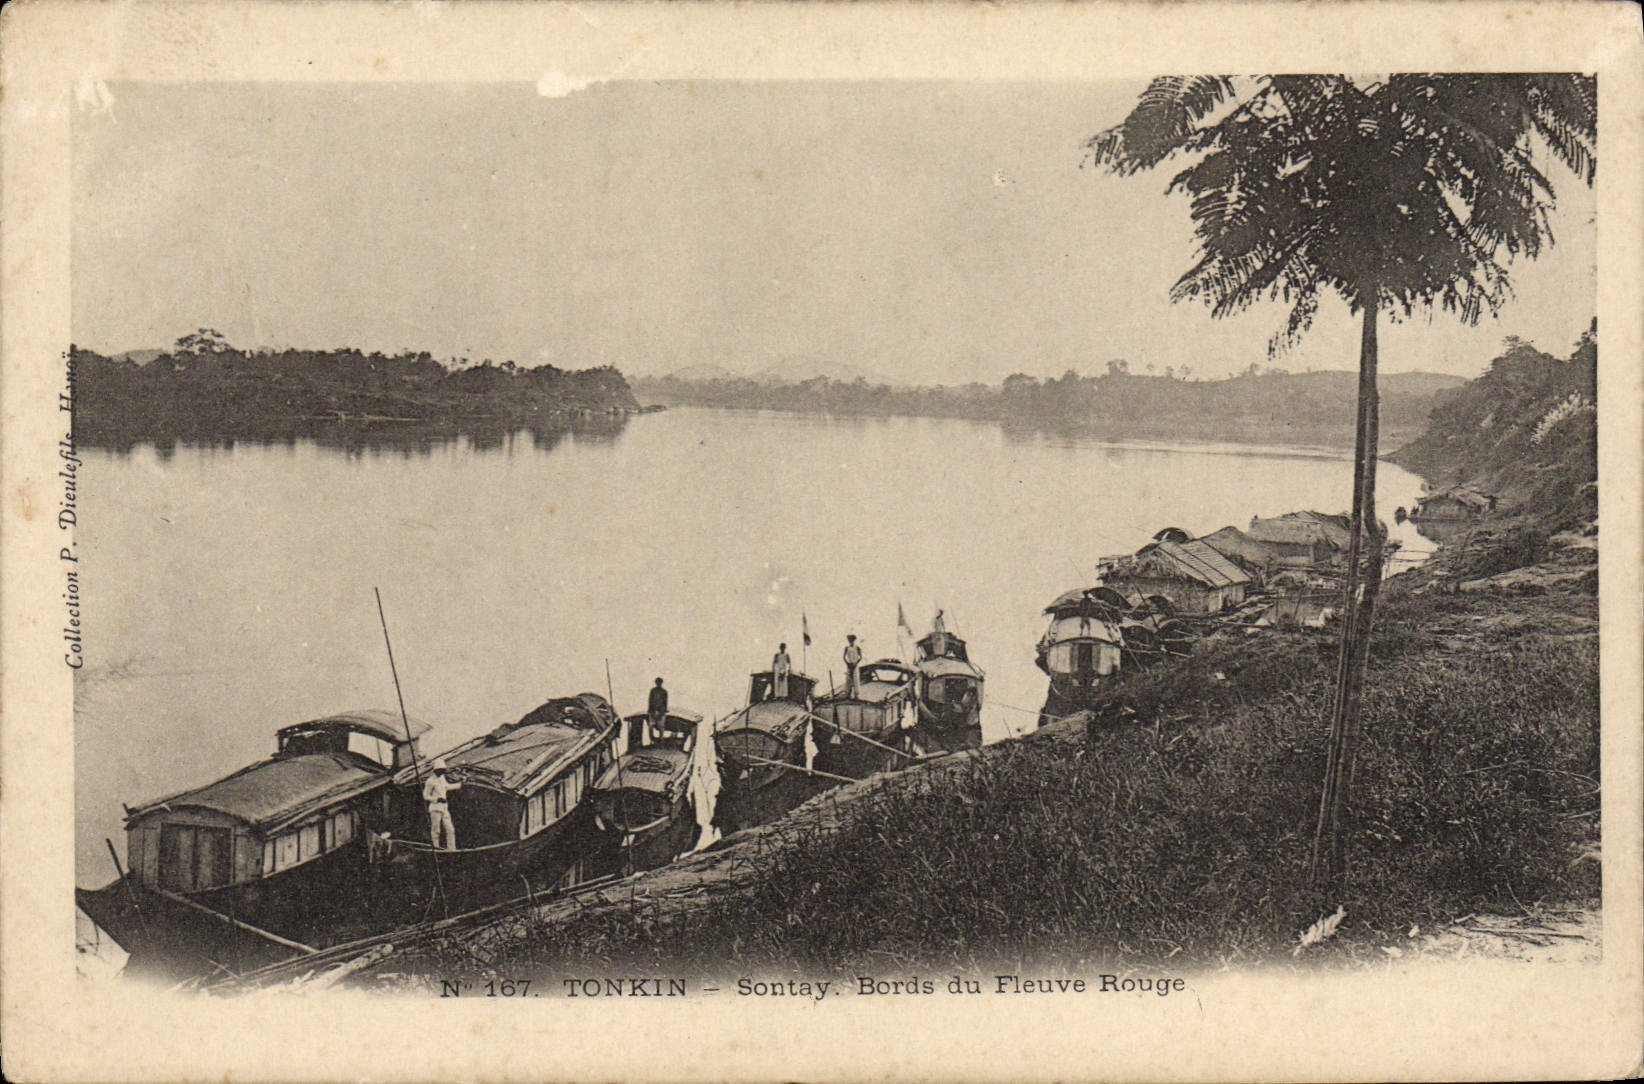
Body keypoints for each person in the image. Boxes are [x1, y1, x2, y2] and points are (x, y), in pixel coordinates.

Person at [423, 758, 461, 850]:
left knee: (450, 829)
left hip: (444, 807)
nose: (441, 772)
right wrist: (436, 799)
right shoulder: (430, 781)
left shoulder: (442, 778)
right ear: (435, 770)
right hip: (435, 808)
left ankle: (452, 848)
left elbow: (446, 787)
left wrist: (459, 785)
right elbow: (425, 796)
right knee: (436, 830)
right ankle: (435, 848)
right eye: (440, 770)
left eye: (443, 770)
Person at [646, 677, 669, 745]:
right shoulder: (652, 691)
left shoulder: (664, 692)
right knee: (650, 726)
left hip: (661, 712)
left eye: (659, 683)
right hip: (653, 712)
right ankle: (652, 740)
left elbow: (665, 703)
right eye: (657, 682)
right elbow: (650, 701)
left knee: (661, 727)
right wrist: (650, 711)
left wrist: (662, 712)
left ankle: (661, 740)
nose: (658, 684)